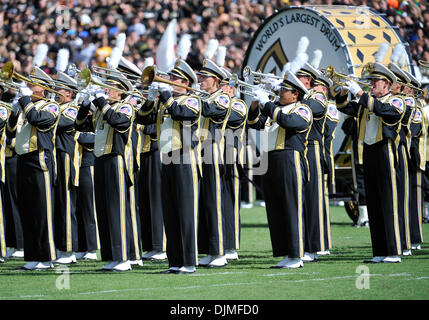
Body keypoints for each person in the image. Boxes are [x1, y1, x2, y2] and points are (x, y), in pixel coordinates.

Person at [335, 62, 405, 263]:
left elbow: (386, 112)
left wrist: (361, 95)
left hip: (386, 151)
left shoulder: (397, 101)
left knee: (388, 201)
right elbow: (344, 107)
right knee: (373, 202)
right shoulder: (368, 101)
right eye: (371, 80)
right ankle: (380, 251)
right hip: (369, 151)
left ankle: (393, 251)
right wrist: (342, 91)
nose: (372, 84)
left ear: (388, 84)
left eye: (376, 81)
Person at [136, 58, 201, 274]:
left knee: (185, 211)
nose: (170, 80)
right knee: (170, 211)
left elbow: (182, 115)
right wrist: (150, 99)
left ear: (186, 82)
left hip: (184, 157)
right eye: (170, 77)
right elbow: (142, 119)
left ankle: (189, 262)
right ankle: (175, 262)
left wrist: (165, 97)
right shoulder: (166, 102)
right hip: (167, 158)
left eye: (174, 78)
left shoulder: (192, 100)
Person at [247, 61, 311, 269]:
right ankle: (285, 252)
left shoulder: (302, 109)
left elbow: (289, 123)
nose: (280, 92)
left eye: (285, 89)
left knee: (292, 206)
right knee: (276, 208)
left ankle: (297, 254)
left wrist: (267, 103)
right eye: (281, 88)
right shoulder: (275, 110)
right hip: (271, 159)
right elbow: (253, 123)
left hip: (289, 158)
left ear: (295, 94)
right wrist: (256, 103)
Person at [75, 72, 135, 272]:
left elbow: (120, 122)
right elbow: (79, 124)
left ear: (120, 91)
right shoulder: (102, 109)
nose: (106, 89)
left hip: (116, 160)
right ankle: (111, 256)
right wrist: (85, 104)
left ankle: (124, 257)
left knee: (116, 209)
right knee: (103, 209)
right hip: (100, 160)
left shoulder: (125, 107)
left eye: (110, 86)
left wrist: (101, 101)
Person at [8, 66, 60, 270]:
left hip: (40, 160)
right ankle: (32, 256)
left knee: (42, 210)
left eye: (34, 83)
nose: (30, 85)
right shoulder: (28, 105)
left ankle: (46, 257)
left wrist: (25, 101)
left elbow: (37, 120)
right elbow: (12, 130)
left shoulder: (51, 106)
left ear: (44, 87)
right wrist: (14, 111)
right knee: (28, 209)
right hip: (23, 159)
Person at [197, 59, 231, 268]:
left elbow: (211, 111)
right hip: (200, 151)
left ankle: (220, 252)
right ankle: (210, 250)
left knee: (214, 203)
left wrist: (194, 97)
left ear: (216, 80)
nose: (200, 80)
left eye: (204, 77)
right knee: (204, 203)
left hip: (214, 152)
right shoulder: (206, 97)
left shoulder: (223, 98)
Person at [297, 62, 329, 262]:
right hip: (300, 149)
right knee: (301, 198)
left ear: (308, 80)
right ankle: (304, 245)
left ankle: (314, 247)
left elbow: (312, 110)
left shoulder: (316, 97)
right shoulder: (303, 97)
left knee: (313, 199)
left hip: (313, 149)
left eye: (299, 78)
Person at [220, 68, 248, 261]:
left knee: (229, 203)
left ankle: (231, 245)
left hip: (231, 157)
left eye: (222, 84)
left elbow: (228, 118)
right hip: (212, 157)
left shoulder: (238, 105)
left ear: (231, 87)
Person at [52, 71, 80, 264]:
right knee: (57, 204)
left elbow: (60, 123)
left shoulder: (72, 108)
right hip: (54, 156)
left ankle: (69, 250)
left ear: (69, 93)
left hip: (65, 157)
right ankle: (58, 246)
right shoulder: (56, 107)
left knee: (65, 202)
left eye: (59, 88)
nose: (54, 91)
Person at [1, 88, 24, 260]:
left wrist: (8, 140)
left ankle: (20, 243)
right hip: (6, 160)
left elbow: (18, 137)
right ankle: (12, 242)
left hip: (13, 159)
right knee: (8, 205)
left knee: (15, 202)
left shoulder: (13, 111)